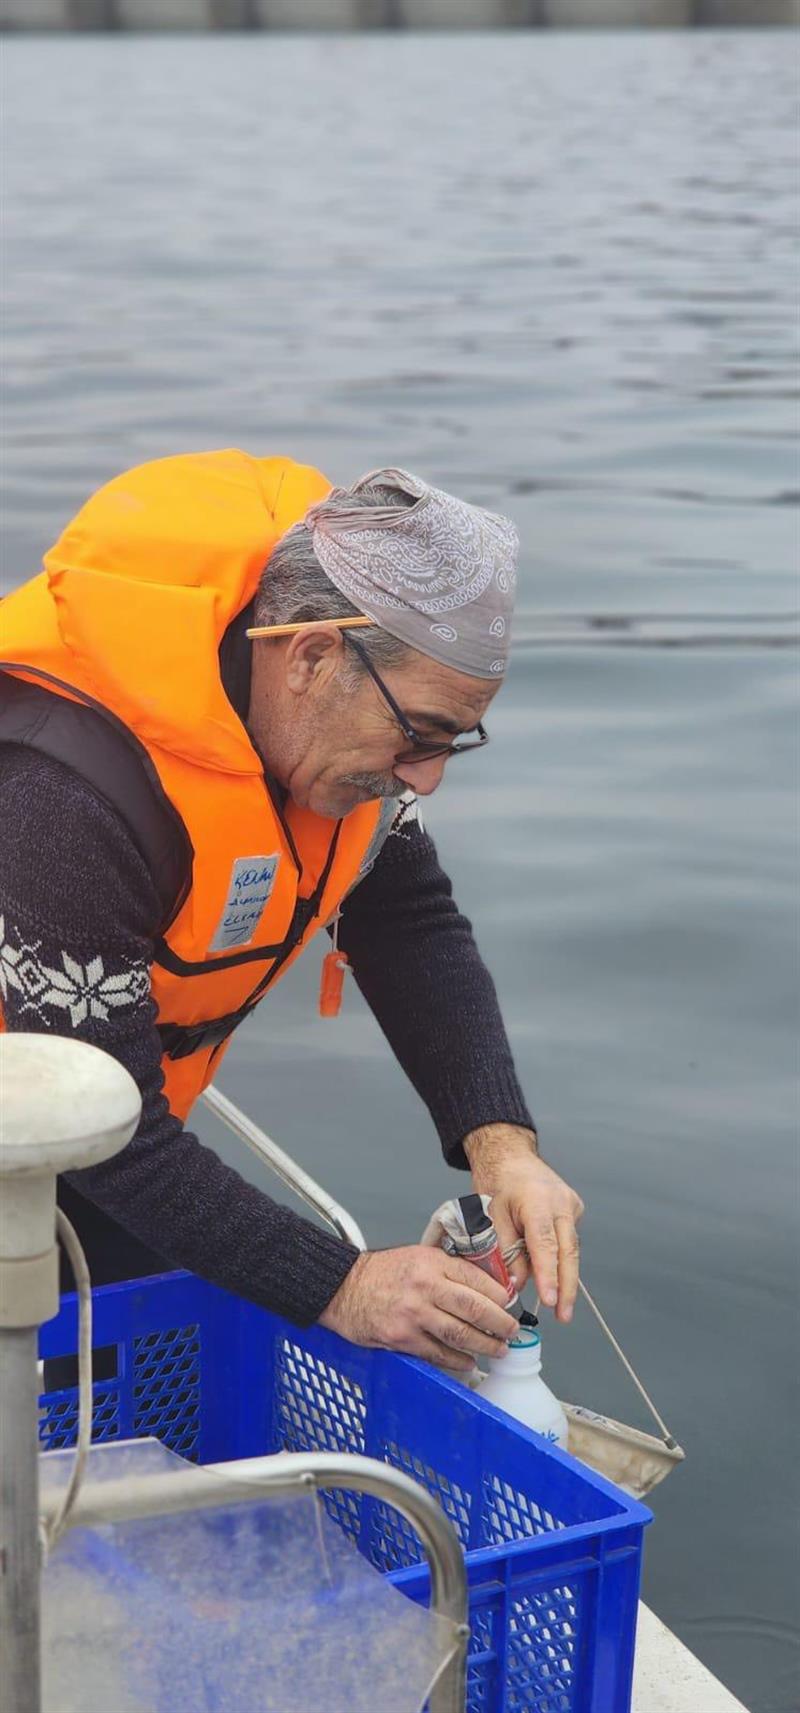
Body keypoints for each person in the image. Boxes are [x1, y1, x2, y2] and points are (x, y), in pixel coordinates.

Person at [0, 451, 583, 1377]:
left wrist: (502, 1145)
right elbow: (107, 1130)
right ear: (311, 655)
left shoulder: (335, 739)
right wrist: (343, 1284)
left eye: (456, 740)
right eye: (419, 734)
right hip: (61, 1128)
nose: (426, 777)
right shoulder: (65, 797)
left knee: (170, 1382)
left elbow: (407, 917)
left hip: (106, 1145)